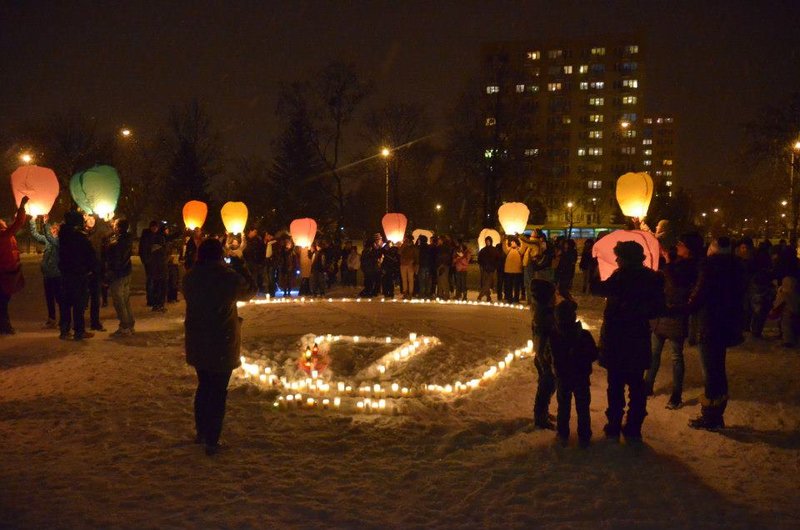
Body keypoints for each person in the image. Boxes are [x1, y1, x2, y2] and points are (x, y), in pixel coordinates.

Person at [183, 238, 257, 456]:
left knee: (204, 386)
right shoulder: (227, 278)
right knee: (218, 391)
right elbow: (250, 290)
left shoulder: (191, 277)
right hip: (221, 339)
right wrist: (240, 265)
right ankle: (212, 439)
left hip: (198, 338)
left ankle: (201, 431)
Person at [593, 241, 665, 441]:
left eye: (619, 256)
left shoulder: (621, 277)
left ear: (626, 258)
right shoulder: (651, 278)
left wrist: (596, 272)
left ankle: (614, 424)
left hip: (618, 337)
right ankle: (634, 425)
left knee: (616, 384)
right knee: (636, 384)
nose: (616, 260)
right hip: (638, 336)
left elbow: (598, 289)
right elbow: (658, 308)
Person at [685, 237, 744, 431]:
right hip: (725, 324)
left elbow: (699, 294)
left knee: (710, 372)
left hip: (708, 324)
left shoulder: (709, 267)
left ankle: (711, 417)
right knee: (718, 369)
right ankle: (717, 414)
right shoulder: (735, 268)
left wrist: (685, 306)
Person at [645, 232, 702, 409]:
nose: (677, 246)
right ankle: (647, 386)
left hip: (676, 315)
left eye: (680, 244)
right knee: (654, 353)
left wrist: (668, 264)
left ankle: (676, 395)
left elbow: (676, 284)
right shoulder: (678, 263)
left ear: (689, 248)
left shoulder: (692, 267)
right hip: (661, 315)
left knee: (676, 356)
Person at [550, 299, 598, 447]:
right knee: (582, 407)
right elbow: (594, 354)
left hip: (564, 377)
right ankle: (584, 435)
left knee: (563, 407)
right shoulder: (584, 335)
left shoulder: (555, 336)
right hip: (581, 377)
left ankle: (563, 433)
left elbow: (551, 355)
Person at [58, 210, 99, 341]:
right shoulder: (80, 237)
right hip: (79, 273)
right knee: (78, 303)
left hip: (65, 273)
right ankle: (79, 331)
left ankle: (65, 330)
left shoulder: (63, 236)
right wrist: (92, 269)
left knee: (66, 303)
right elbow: (90, 255)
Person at [530, 278, 557, 429]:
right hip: (545, 357)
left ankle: (543, 412)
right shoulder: (545, 315)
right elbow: (545, 338)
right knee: (547, 386)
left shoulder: (543, 311)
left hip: (543, 356)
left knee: (548, 385)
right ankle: (540, 416)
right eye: (554, 295)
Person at [0, 197, 29, 334]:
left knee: (4, 300)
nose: (3, 221)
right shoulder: (3, 235)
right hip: (5, 272)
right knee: (3, 301)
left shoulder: (6, 234)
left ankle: (4, 326)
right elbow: (18, 224)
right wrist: (22, 206)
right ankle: (4, 327)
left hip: (8, 271)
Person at [29, 215, 62, 328]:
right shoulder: (48, 241)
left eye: (54, 229)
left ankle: (63, 319)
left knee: (59, 298)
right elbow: (35, 235)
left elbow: (49, 237)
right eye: (52, 229)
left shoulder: (59, 241)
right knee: (49, 298)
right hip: (48, 275)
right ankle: (51, 319)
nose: (52, 231)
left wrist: (45, 223)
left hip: (57, 275)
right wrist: (32, 221)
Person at [105, 218, 135, 336]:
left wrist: (110, 273)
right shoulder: (127, 239)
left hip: (118, 274)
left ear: (118, 228)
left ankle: (124, 326)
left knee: (119, 301)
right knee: (125, 300)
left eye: (115, 226)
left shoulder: (117, 243)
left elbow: (116, 260)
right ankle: (130, 324)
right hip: (126, 272)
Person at [86, 215, 112, 331]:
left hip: (95, 268)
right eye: (88, 218)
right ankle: (80, 325)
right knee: (83, 298)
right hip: (85, 269)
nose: (91, 220)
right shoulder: (83, 234)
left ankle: (94, 322)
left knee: (95, 297)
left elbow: (109, 233)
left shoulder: (97, 234)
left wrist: (107, 221)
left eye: (93, 218)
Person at [770, 276, 800, 347]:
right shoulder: (796, 293)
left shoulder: (784, 293)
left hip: (788, 314)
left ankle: (788, 341)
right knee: (795, 326)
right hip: (797, 313)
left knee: (786, 326)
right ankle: (795, 339)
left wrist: (773, 308)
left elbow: (778, 303)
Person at [138, 221, 160, 307]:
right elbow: (142, 249)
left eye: (156, 227)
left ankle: (154, 298)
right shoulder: (146, 236)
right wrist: (146, 260)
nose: (155, 229)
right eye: (153, 227)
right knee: (150, 280)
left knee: (154, 280)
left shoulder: (156, 235)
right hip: (149, 262)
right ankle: (150, 299)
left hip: (155, 261)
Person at [477, 236, 501, 302]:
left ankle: (480, 296)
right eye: (486, 241)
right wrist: (482, 266)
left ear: (490, 241)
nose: (487, 242)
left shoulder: (494, 250)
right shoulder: (483, 250)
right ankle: (488, 297)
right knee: (486, 283)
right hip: (485, 269)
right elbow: (479, 259)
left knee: (487, 283)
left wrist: (495, 266)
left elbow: (498, 259)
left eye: (488, 241)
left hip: (491, 269)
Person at [243, 227, 266, 294]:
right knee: (248, 275)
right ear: (250, 231)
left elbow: (261, 250)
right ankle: (249, 290)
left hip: (255, 261)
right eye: (255, 232)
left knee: (255, 276)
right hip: (247, 260)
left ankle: (254, 290)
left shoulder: (257, 240)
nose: (256, 233)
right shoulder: (245, 239)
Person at [502, 236, 524, 303]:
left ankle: (516, 299)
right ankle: (509, 298)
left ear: (517, 243)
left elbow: (523, 246)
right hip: (508, 270)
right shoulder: (508, 250)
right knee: (509, 285)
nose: (513, 243)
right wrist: (505, 239)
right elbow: (504, 246)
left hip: (517, 270)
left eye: (514, 242)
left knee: (516, 286)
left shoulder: (519, 250)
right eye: (512, 242)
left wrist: (520, 238)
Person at [399, 235, 419, 300]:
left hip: (410, 265)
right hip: (403, 264)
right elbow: (399, 252)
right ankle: (405, 292)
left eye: (406, 239)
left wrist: (415, 264)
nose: (405, 240)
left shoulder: (414, 247)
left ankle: (410, 293)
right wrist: (403, 245)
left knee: (410, 280)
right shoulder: (404, 246)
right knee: (404, 279)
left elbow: (416, 256)